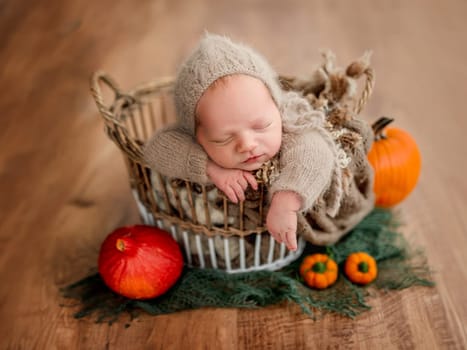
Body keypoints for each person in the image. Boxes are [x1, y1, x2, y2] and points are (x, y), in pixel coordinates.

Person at [144, 33, 373, 251]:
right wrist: (211, 169)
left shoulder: (291, 124)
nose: (247, 144)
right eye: (223, 138)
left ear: (277, 107)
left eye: (261, 126)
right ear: (196, 135)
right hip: (222, 237)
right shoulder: (190, 139)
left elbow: (315, 153)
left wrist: (287, 201)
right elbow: (157, 148)